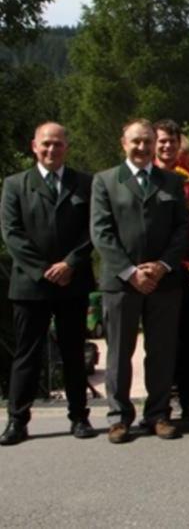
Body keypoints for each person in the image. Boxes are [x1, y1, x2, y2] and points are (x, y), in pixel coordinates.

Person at [90, 119, 189, 443]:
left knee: (161, 351)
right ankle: (119, 418)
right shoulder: (105, 181)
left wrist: (162, 266)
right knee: (119, 352)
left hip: (164, 282)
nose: (143, 147)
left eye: (148, 141)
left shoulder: (172, 182)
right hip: (121, 283)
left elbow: (182, 230)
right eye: (136, 141)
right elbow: (101, 233)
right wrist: (131, 272)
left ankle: (158, 414)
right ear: (123, 142)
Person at [1, 122, 96, 446]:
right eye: (46, 144)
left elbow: (93, 230)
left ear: (66, 147)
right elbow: (11, 233)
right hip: (31, 285)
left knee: (73, 352)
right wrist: (44, 270)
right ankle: (17, 420)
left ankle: (80, 417)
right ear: (34, 146)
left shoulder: (85, 183)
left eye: (57, 144)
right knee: (27, 354)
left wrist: (70, 263)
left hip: (73, 281)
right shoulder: (15, 185)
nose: (51, 150)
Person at [154, 118, 189, 424]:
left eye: (172, 141)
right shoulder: (148, 177)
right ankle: (160, 402)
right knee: (160, 339)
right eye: (162, 141)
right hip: (157, 267)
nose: (167, 146)